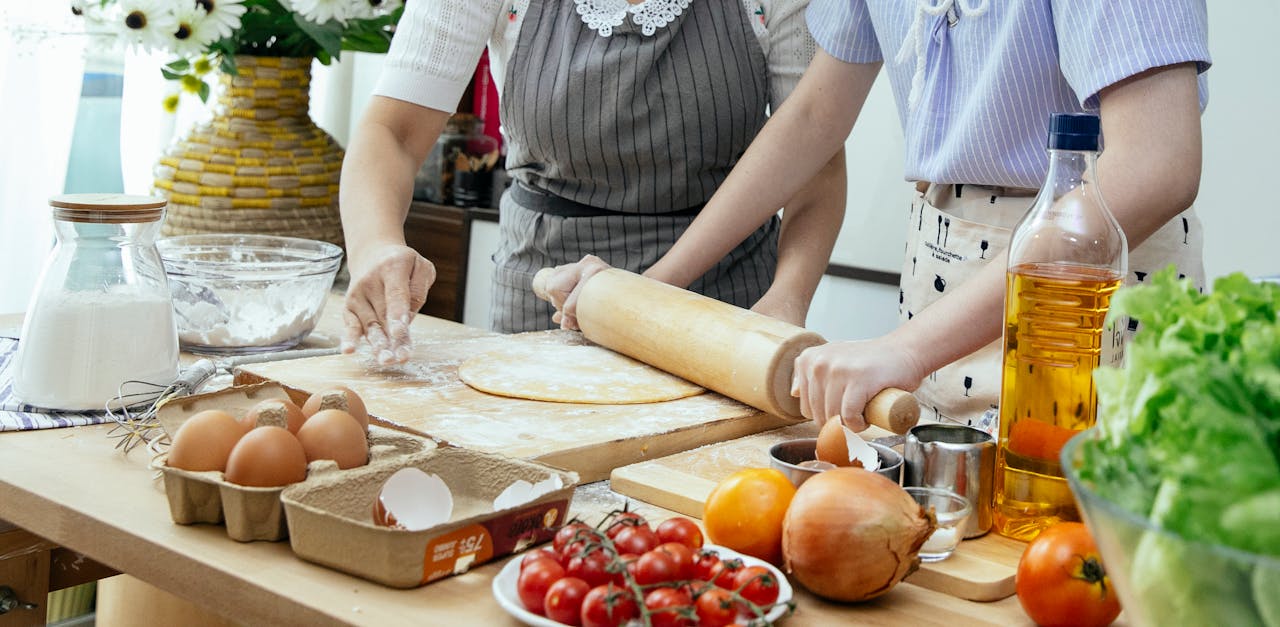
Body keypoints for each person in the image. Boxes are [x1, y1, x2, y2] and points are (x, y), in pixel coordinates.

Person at [540, 0, 1211, 432]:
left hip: (1082, 281)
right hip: (943, 269)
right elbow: (813, 116)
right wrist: (656, 283)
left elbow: (1156, 163)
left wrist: (903, 350)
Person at [338, 0, 847, 365]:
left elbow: (816, 165)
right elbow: (394, 133)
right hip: (544, 300)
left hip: (718, 310)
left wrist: (787, 298)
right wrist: (376, 244)